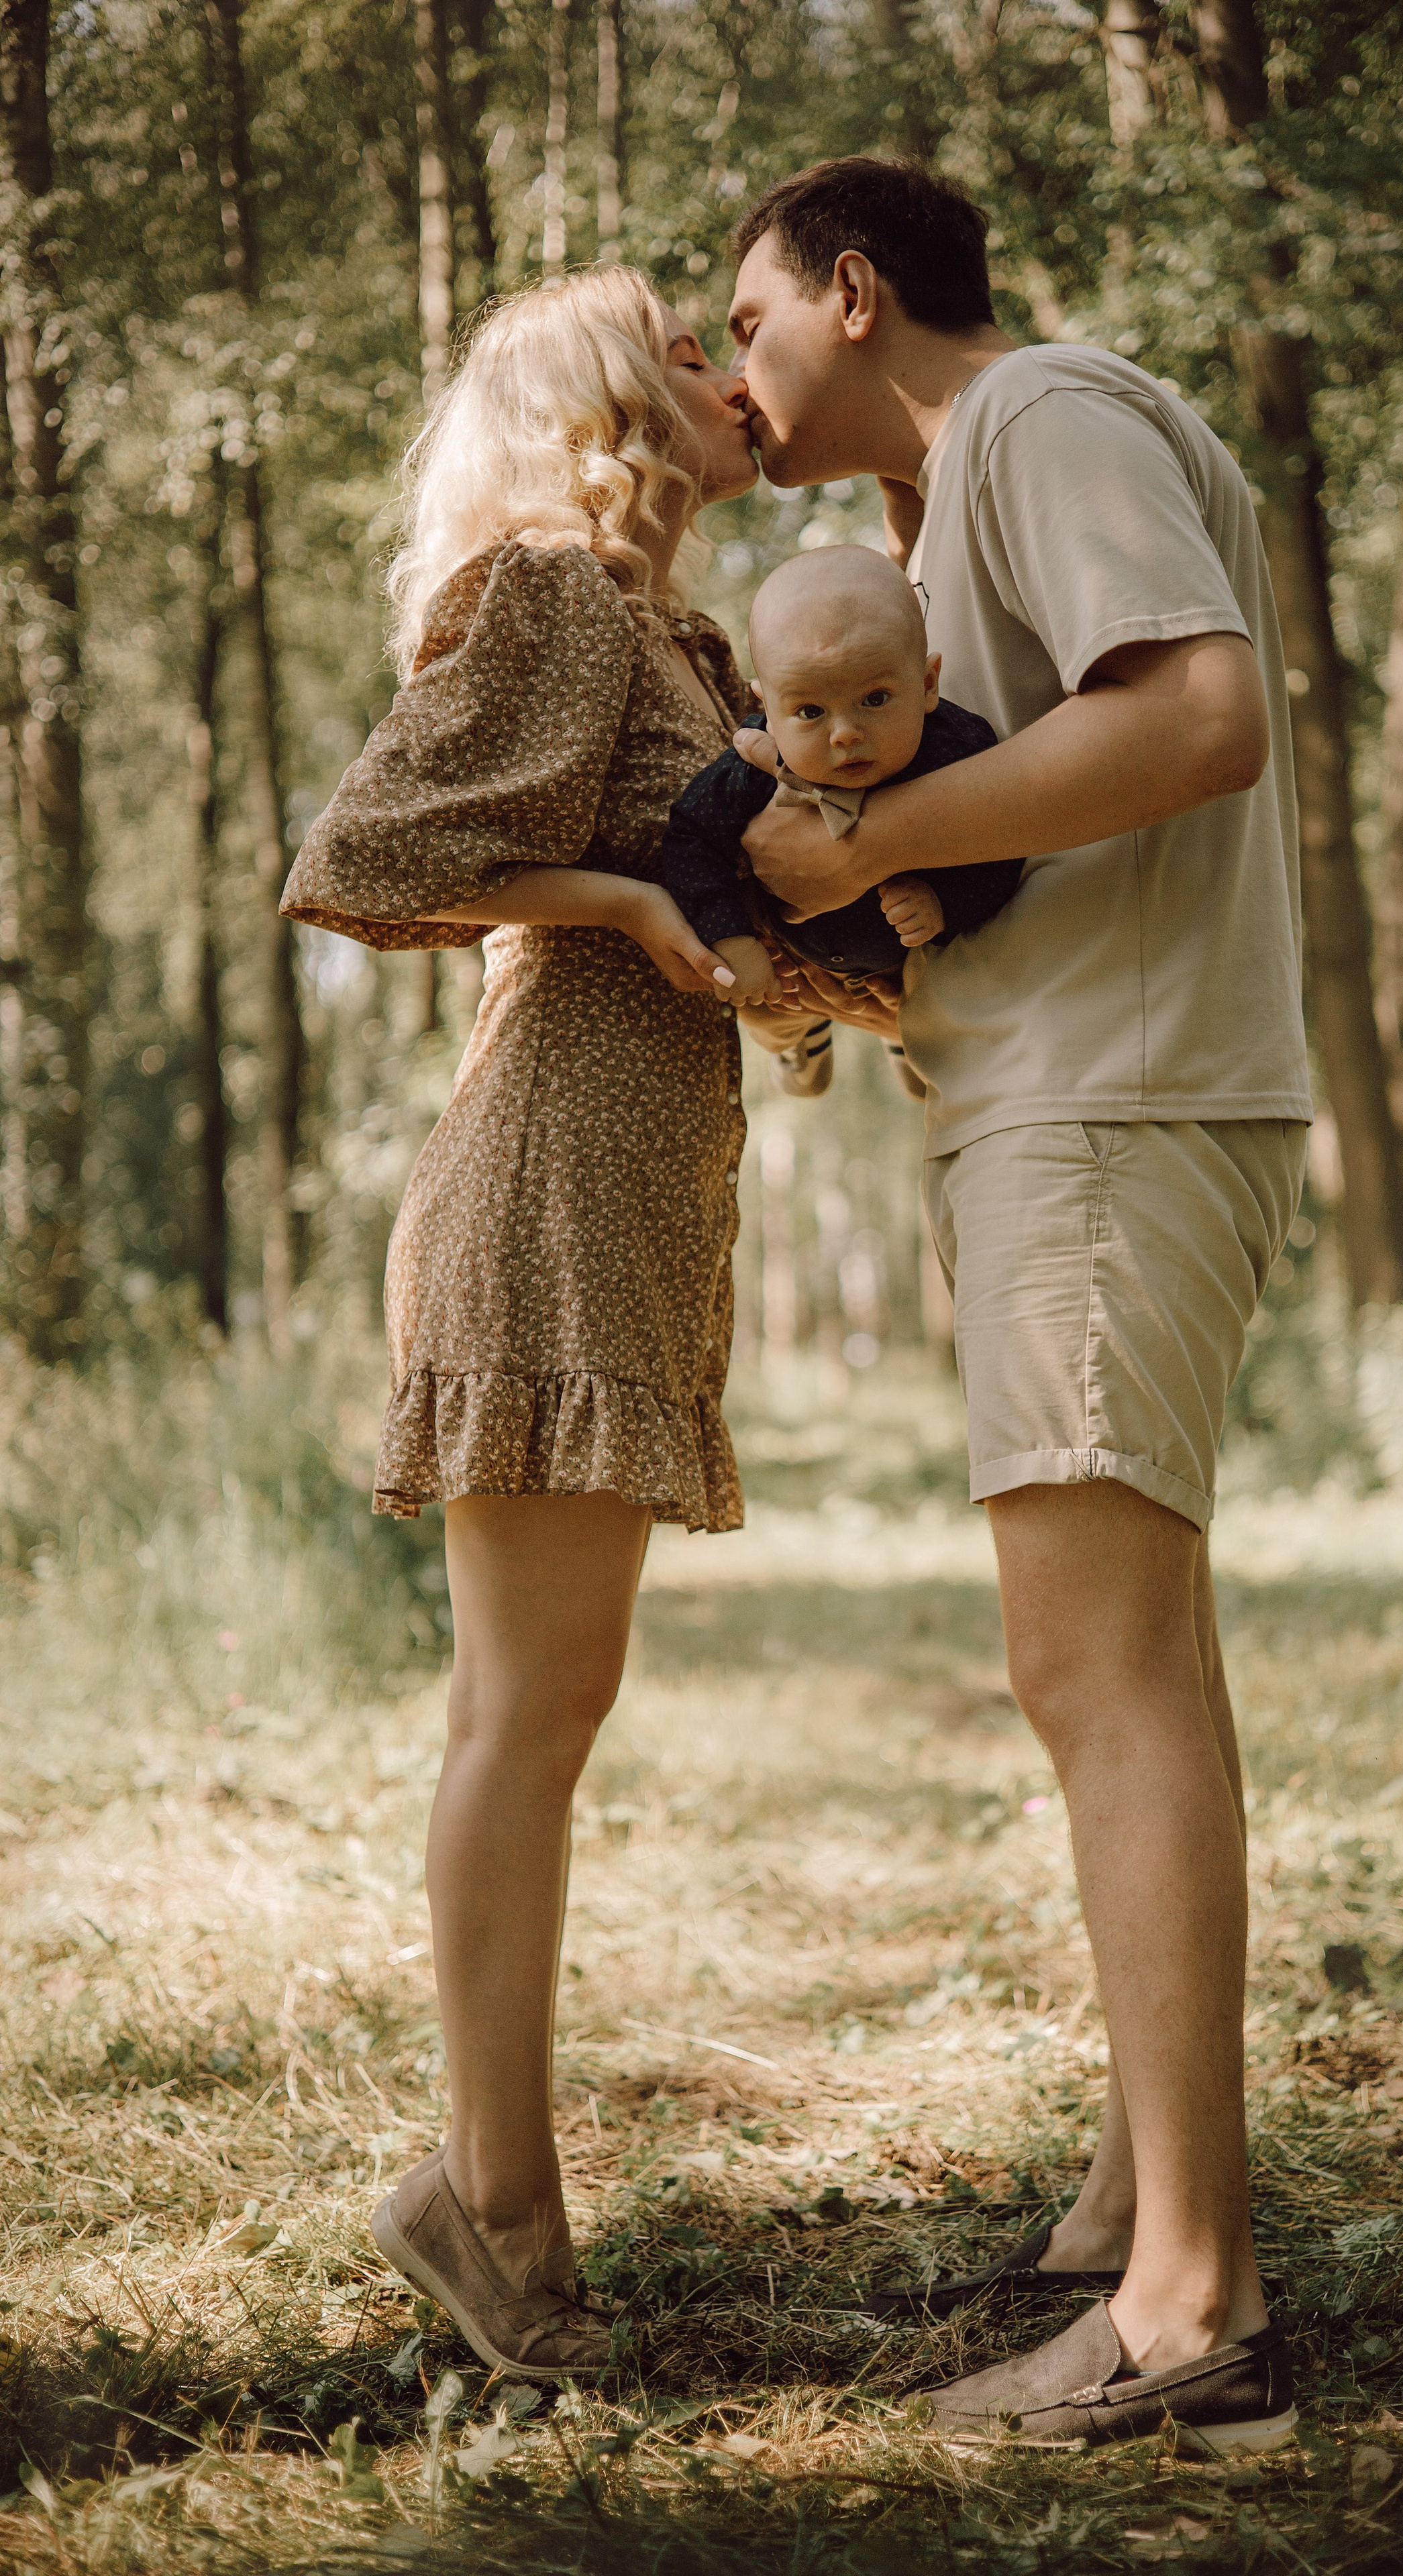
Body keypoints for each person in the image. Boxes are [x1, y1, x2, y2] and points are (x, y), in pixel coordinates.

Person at [726, 158, 1312, 2450]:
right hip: (1081, 1101)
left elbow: (1200, 723)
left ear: (858, 295)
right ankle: (1135, 2215)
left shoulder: (1044, 418)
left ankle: (1193, 2321)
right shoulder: (969, 491)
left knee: (1092, 1667)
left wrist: (863, 848)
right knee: (1132, 1654)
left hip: (1121, 1115)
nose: (732, 369)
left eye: (747, 313)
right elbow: (1062, 816)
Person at [278, 268, 756, 2383]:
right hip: (545, 1186)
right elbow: (360, 857)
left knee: (539, 1710)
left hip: (625, 1193)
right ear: (598, 402)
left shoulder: (686, 633)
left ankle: (487, 2192)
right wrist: (621, 903)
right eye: (683, 345)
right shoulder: (557, 588)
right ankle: (493, 2208)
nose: (728, 375)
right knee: (526, 1720)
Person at [657, 546, 1019, 1005]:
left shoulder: (959, 751)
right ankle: (800, 1045)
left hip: (912, 973)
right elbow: (690, 837)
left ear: (928, 685)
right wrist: (731, 938)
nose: (845, 734)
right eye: (810, 711)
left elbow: (1007, 845)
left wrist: (946, 905)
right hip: (797, 965)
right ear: (766, 710)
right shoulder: (751, 767)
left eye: (874, 699)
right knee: (777, 1009)